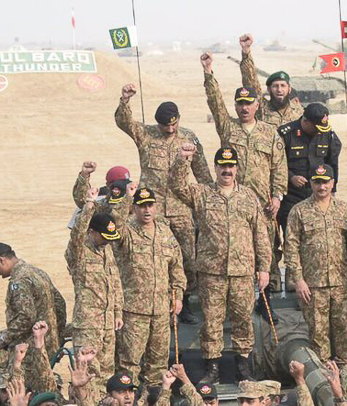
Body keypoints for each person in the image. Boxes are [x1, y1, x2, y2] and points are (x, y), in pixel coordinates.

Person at [170, 144, 271, 383]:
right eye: (223, 166)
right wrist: (182, 161)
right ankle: (212, 368)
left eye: (231, 166)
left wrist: (264, 267)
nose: (227, 170)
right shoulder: (203, 194)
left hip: (242, 272)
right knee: (212, 321)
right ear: (215, 168)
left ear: (237, 168)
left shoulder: (248, 197)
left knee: (243, 320)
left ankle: (243, 367)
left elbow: (260, 234)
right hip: (211, 271)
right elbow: (178, 187)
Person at [115, 84, 212, 323]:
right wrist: (125, 101)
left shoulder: (188, 137)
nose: (170, 128)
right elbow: (124, 123)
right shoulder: (147, 135)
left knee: (187, 257)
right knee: (153, 258)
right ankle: (158, 306)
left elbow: (201, 170)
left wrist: (209, 197)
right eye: (165, 125)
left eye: (173, 124)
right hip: (151, 208)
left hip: (181, 208)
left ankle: (185, 301)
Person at [201, 50, 287, 293]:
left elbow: (280, 168)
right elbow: (215, 103)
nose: (244, 108)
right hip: (234, 201)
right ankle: (240, 298)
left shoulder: (269, 133)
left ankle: (268, 300)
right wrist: (208, 73)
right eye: (240, 104)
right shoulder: (228, 129)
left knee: (267, 249)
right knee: (237, 249)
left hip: (264, 204)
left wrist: (278, 197)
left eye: (249, 104)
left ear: (257, 105)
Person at [284, 164, 347, 364]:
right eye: (317, 182)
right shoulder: (299, 212)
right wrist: (298, 280)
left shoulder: (344, 210)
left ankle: (344, 379)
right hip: (313, 287)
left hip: (341, 283)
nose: (322, 187)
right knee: (318, 336)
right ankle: (324, 381)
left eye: (325, 182)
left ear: (332, 183)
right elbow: (291, 248)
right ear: (311, 183)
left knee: (344, 333)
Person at [115, 188, 186, 385]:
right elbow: (115, 223)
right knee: (129, 363)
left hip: (161, 310)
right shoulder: (126, 231)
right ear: (134, 208)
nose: (147, 210)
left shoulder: (164, 232)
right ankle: (127, 405)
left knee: (158, 365)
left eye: (150, 205)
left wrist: (178, 295)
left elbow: (177, 266)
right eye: (141, 206)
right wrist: (126, 198)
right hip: (134, 310)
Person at [64, 189, 124, 377]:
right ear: (92, 232)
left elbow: (114, 283)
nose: (107, 241)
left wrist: (117, 312)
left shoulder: (106, 250)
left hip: (107, 324)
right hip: (88, 325)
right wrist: (89, 205)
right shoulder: (79, 251)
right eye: (104, 237)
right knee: (89, 374)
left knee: (106, 374)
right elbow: (77, 233)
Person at [0, 242, 67, 364]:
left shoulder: (19, 281)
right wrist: (56, 337)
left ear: (1, 260)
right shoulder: (37, 272)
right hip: (47, 344)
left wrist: (3, 339)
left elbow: (26, 317)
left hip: (29, 351)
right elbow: (60, 304)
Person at [276, 103, 342, 237]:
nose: (319, 131)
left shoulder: (326, 135)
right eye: (316, 127)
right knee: (292, 237)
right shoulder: (286, 134)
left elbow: (332, 164)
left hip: (317, 195)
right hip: (291, 197)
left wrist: (332, 190)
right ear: (305, 121)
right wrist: (291, 176)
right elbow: (276, 164)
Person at [238, 34, 304, 129]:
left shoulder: (299, 111)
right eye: (275, 86)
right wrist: (246, 52)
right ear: (269, 89)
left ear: (289, 89)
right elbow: (250, 83)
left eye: (283, 86)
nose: (279, 90)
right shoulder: (261, 109)